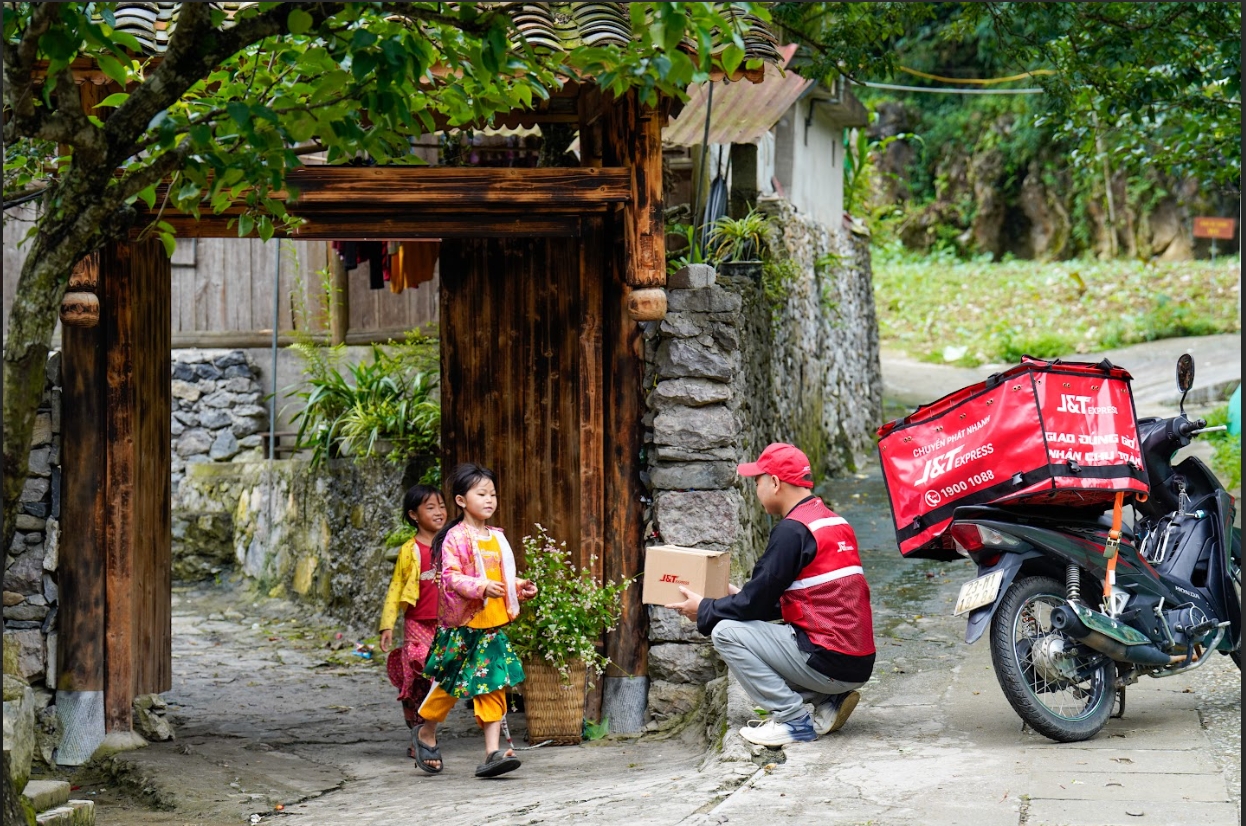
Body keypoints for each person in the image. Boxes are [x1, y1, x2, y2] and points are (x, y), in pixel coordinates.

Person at [666, 442, 876, 747]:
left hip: (829, 659)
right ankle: (829, 698)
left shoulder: (793, 530)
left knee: (725, 632)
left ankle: (792, 721)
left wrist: (706, 609)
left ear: (775, 482)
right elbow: (803, 597)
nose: (756, 489)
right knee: (742, 625)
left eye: (757, 481)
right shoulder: (833, 522)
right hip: (856, 662)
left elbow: (755, 601)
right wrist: (738, 599)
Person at [413, 463, 538, 778]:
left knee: (492, 686)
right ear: (460, 500)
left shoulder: (496, 537)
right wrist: (481, 587)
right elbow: (451, 577)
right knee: (449, 687)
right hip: (462, 627)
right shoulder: (454, 538)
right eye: (481, 493)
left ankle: (492, 753)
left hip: (491, 627)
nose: (489, 500)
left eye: (492, 494)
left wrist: (519, 587)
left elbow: (503, 578)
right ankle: (426, 731)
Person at [378, 483, 447, 758]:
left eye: (441, 506)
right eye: (430, 508)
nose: (439, 512)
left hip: (446, 624)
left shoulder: (452, 543)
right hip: (417, 622)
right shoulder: (410, 549)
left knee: (439, 677)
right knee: (417, 677)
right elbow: (396, 586)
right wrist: (387, 624)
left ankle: (426, 732)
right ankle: (416, 732)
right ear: (414, 515)